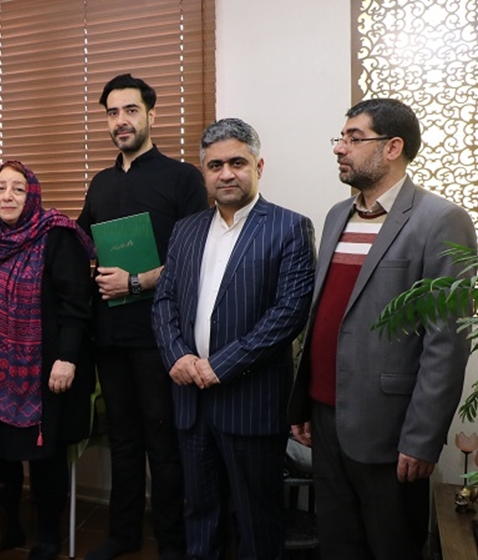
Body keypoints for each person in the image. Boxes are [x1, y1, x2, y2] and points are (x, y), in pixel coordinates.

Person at [288, 98, 477, 559]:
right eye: (340, 138)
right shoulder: (337, 215)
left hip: (388, 427)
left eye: (354, 138)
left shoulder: (440, 220)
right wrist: (305, 401)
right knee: (338, 543)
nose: (340, 148)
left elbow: (446, 342)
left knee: (391, 546)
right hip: (325, 416)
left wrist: (422, 437)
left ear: (392, 147)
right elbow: (324, 316)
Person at [152, 118, 315, 559]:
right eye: (215, 165)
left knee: (256, 520)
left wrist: (219, 366)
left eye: (237, 163)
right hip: (190, 401)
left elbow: (288, 314)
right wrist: (177, 355)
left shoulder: (289, 228)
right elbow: (164, 300)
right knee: (200, 513)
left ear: (258, 166)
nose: (226, 174)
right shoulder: (186, 229)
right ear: (204, 172)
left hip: (251, 404)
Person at [77, 73, 208, 560]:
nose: (121, 121)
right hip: (109, 335)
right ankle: (123, 534)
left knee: (163, 442)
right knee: (124, 441)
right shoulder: (101, 183)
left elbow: (195, 255)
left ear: (151, 114)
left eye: (130, 110)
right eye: (112, 112)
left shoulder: (183, 178)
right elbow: (80, 243)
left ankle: (171, 542)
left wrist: (136, 281)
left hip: (161, 336)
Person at [0, 160, 95, 560]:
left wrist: (67, 357)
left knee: (44, 455)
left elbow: (76, 304)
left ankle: (47, 534)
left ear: (32, 195)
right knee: (0, 451)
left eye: (18, 188)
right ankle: (9, 525)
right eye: (1, 188)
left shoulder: (57, 235)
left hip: (43, 368)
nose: (8, 196)